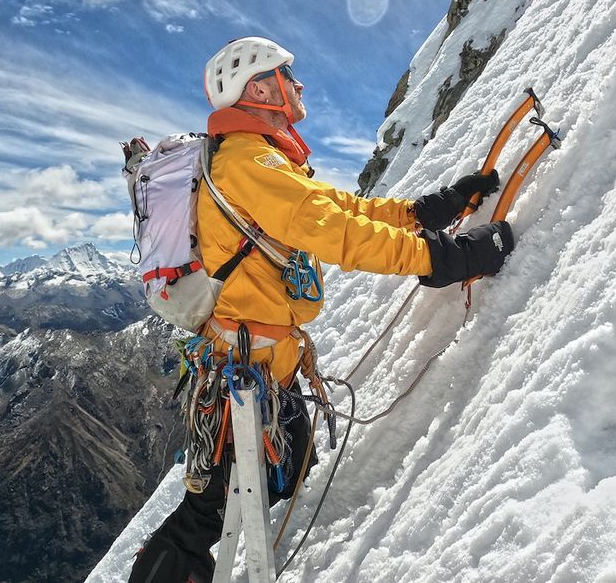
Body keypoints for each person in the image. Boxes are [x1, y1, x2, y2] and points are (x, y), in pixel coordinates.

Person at [128, 37, 514, 582]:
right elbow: (338, 232)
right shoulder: (248, 162)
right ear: (258, 88)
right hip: (244, 373)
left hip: (259, 366)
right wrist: (446, 258)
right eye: (288, 73)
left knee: (284, 468)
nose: (299, 83)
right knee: (206, 513)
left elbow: (340, 209)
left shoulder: (259, 157)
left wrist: (428, 210)